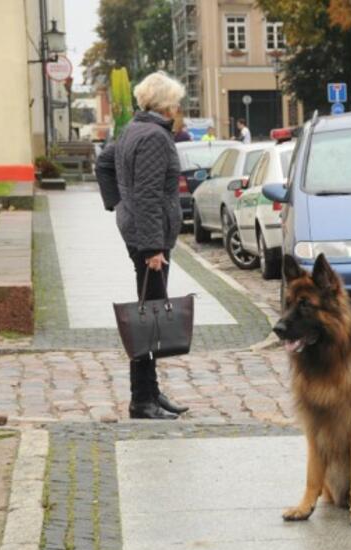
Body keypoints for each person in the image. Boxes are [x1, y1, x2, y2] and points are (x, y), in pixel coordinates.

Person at [108, 71, 191, 420]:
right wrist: (153, 248)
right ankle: (141, 399)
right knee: (148, 318)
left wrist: (117, 203)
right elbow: (147, 195)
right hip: (148, 239)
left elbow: (103, 164)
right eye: (177, 102)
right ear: (166, 104)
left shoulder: (132, 129)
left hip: (139, 233)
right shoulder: (155, 137)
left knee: (150, 312)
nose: (179, 108)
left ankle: (150, 393)